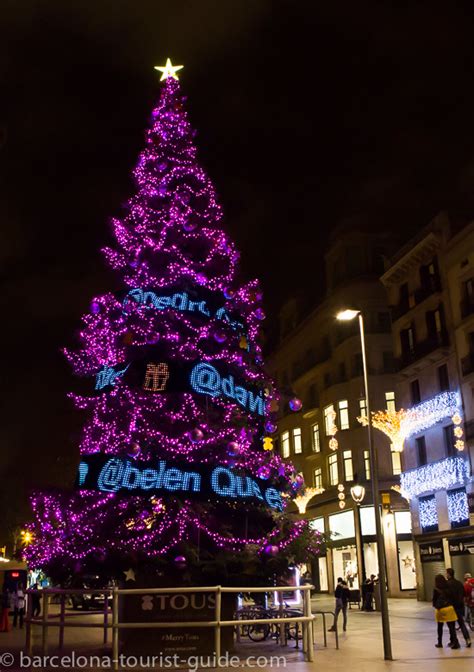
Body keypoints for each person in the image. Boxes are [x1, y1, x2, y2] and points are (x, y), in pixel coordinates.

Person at [446, 568, 471, 647]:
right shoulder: (459, 583)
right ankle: (467, 639)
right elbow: (463, 594)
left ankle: (455, 642)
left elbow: (446, 596)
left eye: (446, 573)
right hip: (459, 607)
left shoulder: (447, 584)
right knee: (462, 623)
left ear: (449, 574)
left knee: (451, 626)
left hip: (451, 607)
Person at [433, 574, 460, 649]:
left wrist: (436, 606)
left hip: (440, 610)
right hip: (449, 608)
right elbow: (453, 597)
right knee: (451, 627)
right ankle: (455, 643)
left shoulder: (436, 589)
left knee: (440, 627)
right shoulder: (449, 587)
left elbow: (434, 600)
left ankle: (440, 642)